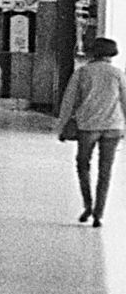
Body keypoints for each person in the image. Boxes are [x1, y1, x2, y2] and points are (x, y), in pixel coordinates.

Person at [56, 37, 126, 226]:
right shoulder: (118, 74)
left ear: (93, 52)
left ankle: (88, 205)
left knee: (83, 165)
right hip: (113, 127)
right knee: (106, 171)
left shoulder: (83, 72)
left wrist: (62, 127)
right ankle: (98, 214)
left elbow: (69, 102)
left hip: (88, 126)